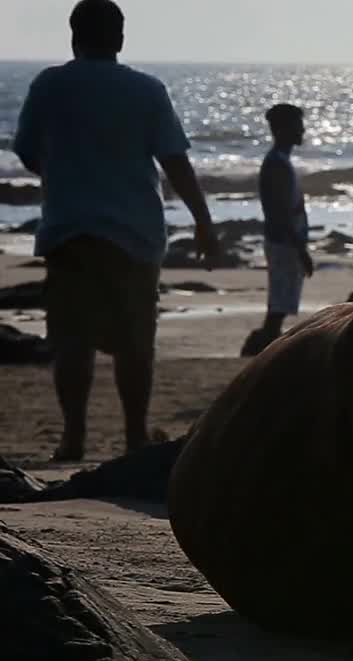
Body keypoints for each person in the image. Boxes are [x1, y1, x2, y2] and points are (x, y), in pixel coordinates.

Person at [12, 0, 214, 461]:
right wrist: (203, 221)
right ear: (120, 39)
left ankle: (74, 437)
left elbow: (25, 149)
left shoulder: (50, 84)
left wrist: (61, 172)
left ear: (72, 35)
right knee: (135, 342)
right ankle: (134, 434)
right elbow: (174, 161)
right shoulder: (145, 90)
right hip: (134, 233)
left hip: (70, 229)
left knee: (72, 340)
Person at [240, 104, 314, 357]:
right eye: (297, 125)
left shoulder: (281, 162)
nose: (302, 130)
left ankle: (264, 348)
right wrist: (300, 248)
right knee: (279, 305)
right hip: (284, 243)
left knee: (281, 304)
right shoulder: (277, 164)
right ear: (283, 129)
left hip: (285, 241)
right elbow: (280, 212)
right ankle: (263, 351)